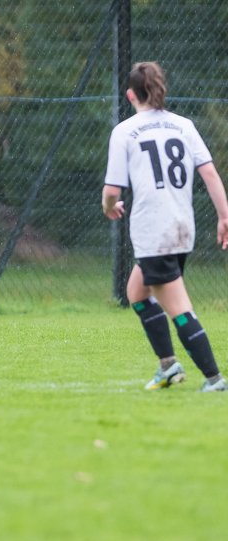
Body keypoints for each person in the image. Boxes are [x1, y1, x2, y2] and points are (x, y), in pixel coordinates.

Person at [103, 61, 228, 392]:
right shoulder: (183, 125)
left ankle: (215, 379)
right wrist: (224, 216)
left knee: (179, 308)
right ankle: (168, 365)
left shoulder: (125, 131)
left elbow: (111, 192)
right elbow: (210, 173)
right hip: (181, 227)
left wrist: (108, 207)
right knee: (137, 293)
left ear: (131, 94)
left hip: (153, 231)